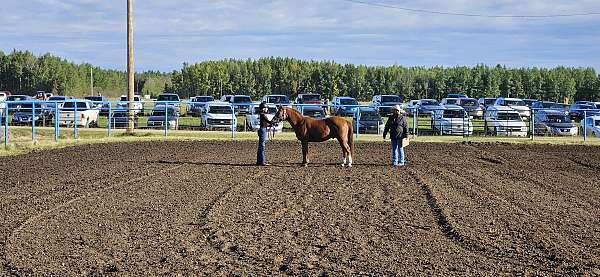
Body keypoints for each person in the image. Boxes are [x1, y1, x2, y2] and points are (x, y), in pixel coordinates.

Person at [257, 102, 274, 166]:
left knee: (261, 146)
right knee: (262, 146)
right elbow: (268, 122)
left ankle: (259, 161)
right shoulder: (263, 115)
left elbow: (265, 123)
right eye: (266, 108)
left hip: (262, 129)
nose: (267, 109)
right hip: (263, 130)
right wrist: (273, 122)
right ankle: (262, 161)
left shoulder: (262, 114)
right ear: (263, 108)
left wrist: (270, 124)